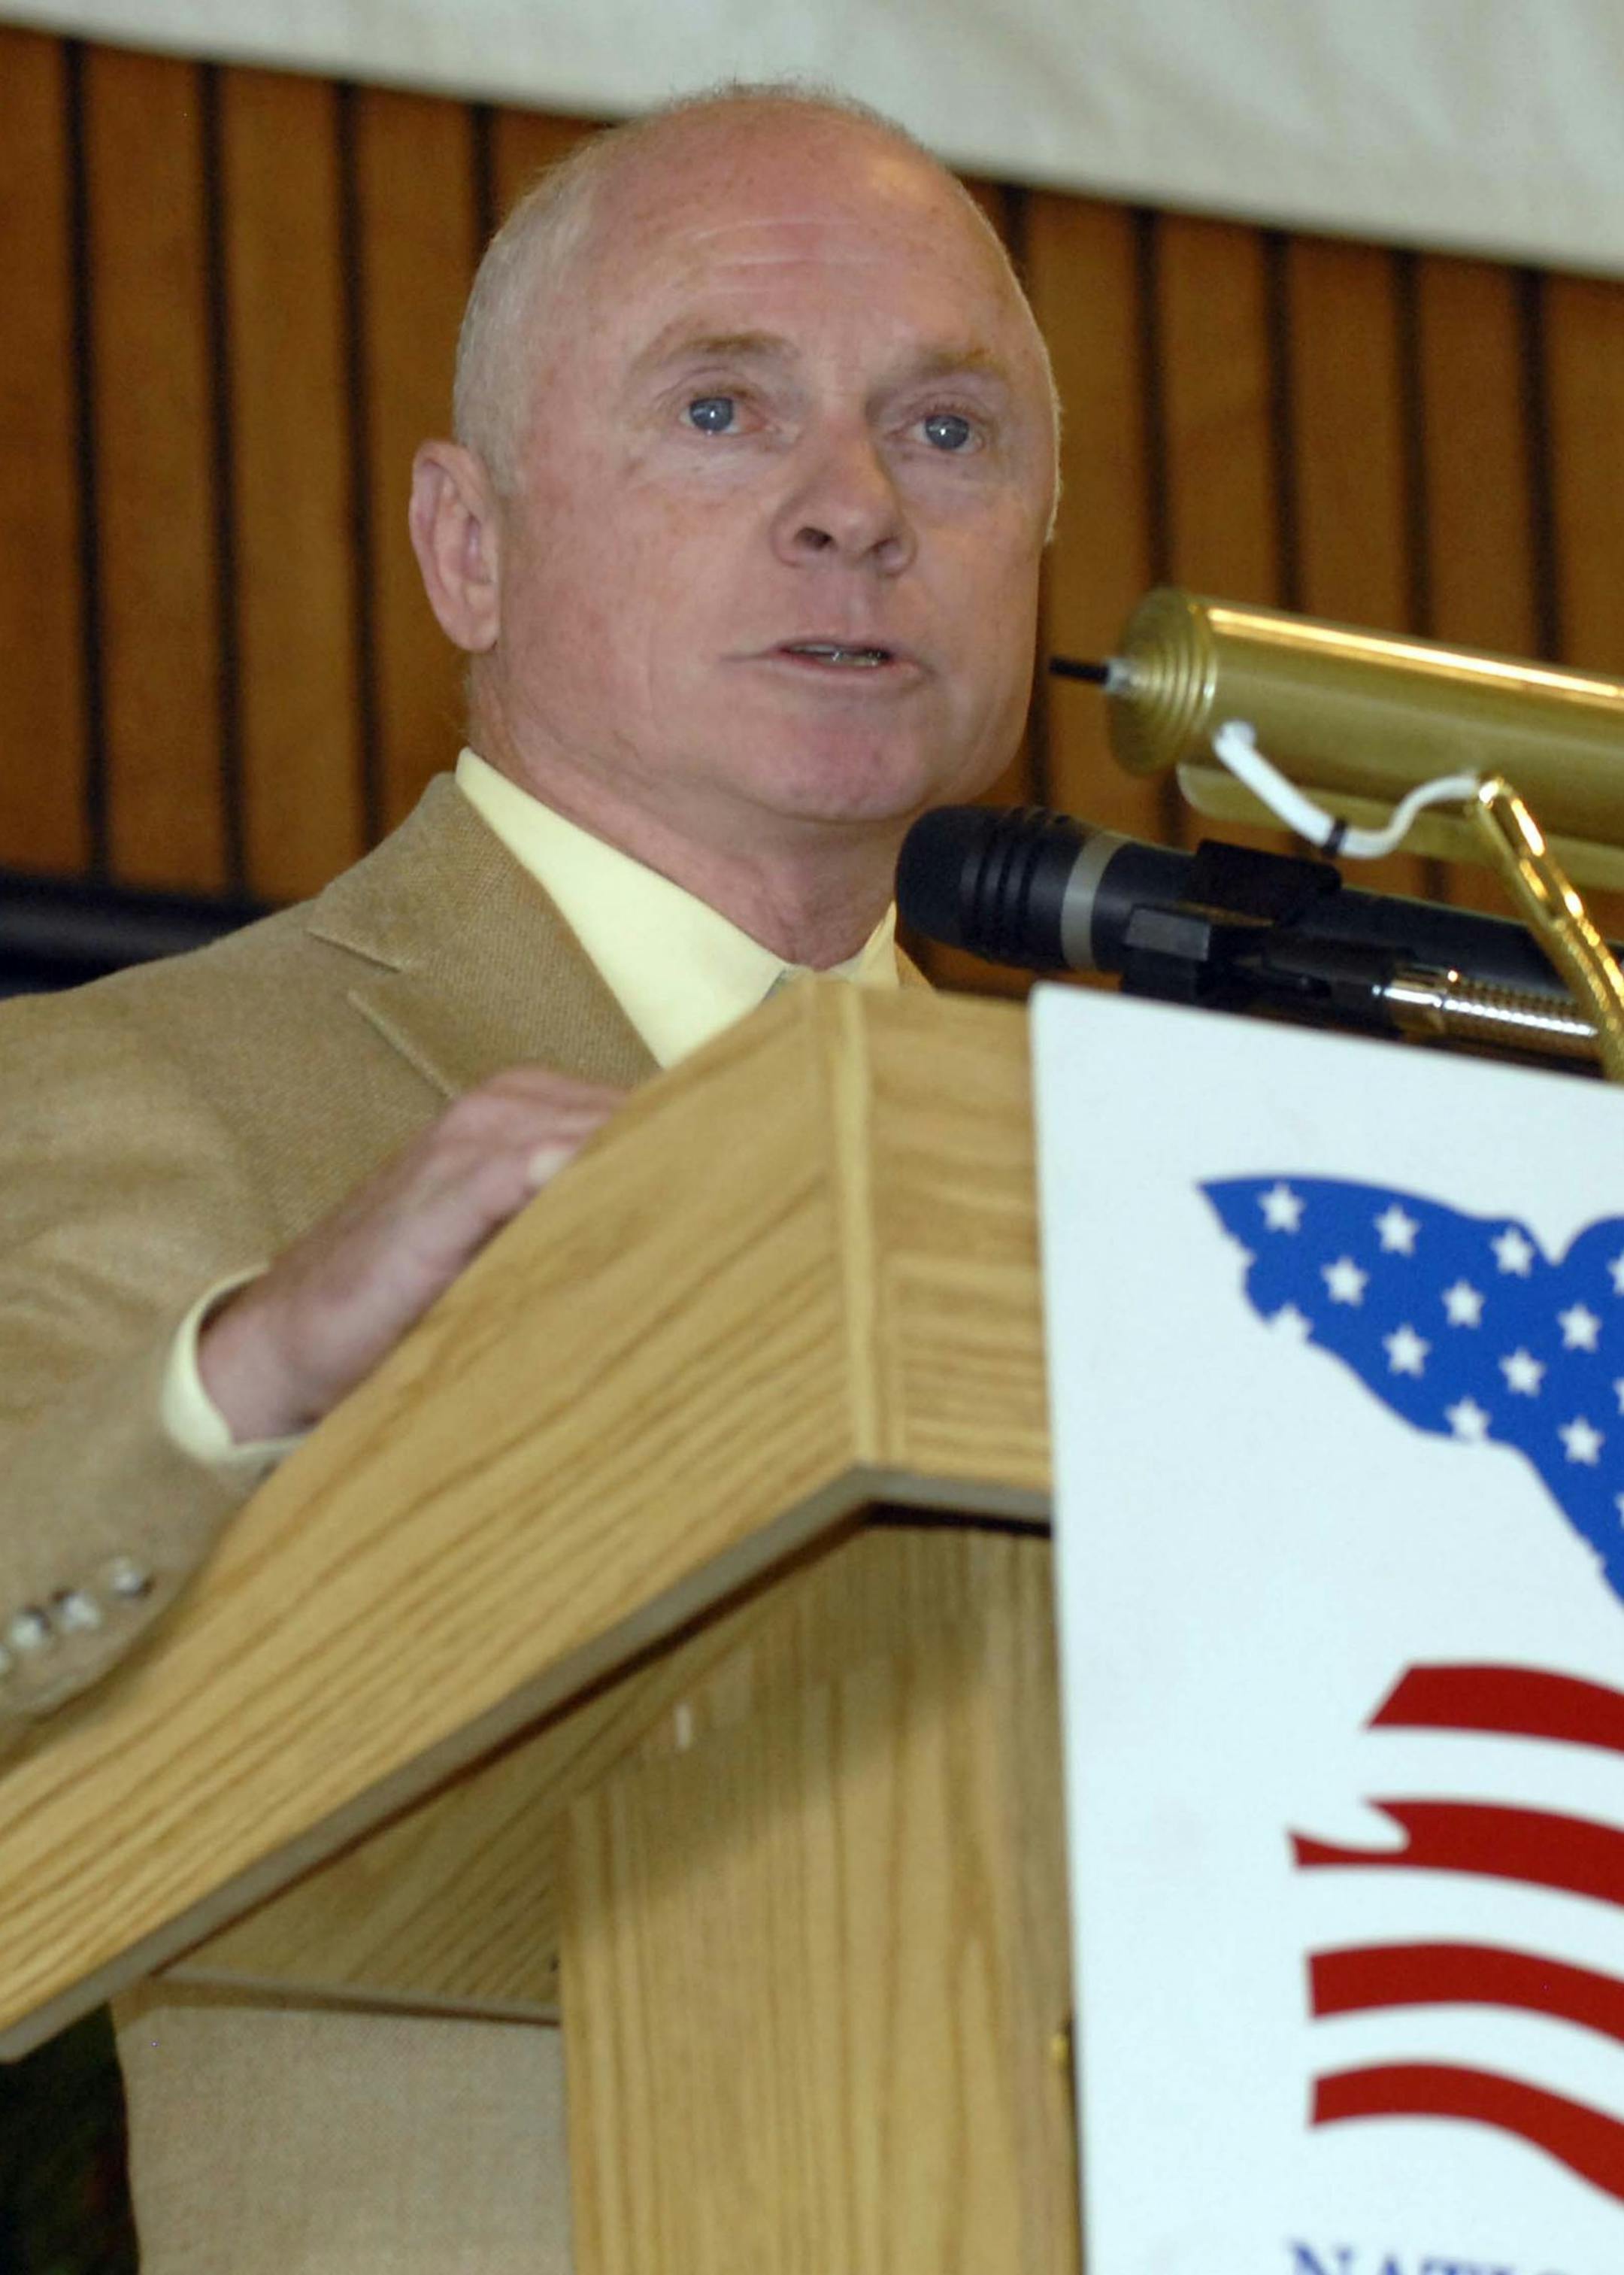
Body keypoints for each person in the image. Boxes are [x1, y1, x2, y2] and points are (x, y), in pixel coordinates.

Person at [0, 82, 1059, 2272]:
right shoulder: (136, 1087)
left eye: (945, 431)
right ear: (466, 544)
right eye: (721, 409)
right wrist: (249, 1370)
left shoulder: (1126, 1182)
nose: (857, 507)